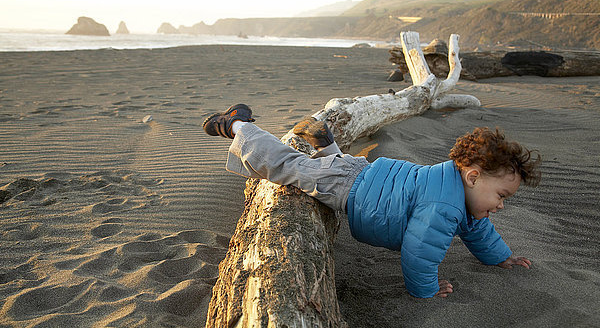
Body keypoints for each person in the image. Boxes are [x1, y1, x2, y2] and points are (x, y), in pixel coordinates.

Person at [203, 103, 541, 298]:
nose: (500, 205)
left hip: (360, 173)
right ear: (473, 176)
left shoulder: (458, 193)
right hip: (346, 188)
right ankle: (238, 125)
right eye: (501, 195)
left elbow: (478, 231)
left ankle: (324, 143)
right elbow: (419, 251)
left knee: (332, 166)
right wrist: (425, 288)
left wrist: (501, 258)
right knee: (285, 165)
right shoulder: (445, 206)